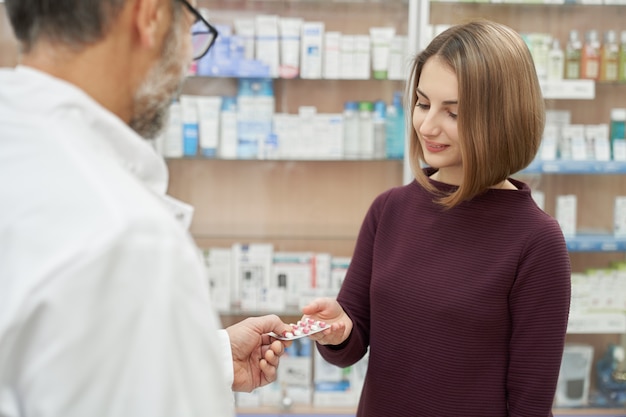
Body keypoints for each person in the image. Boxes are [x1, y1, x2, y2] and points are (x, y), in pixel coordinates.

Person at [0, 0, 293, 415]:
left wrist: (211, 357)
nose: (189, 60)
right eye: (191, 32)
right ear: (150, 15)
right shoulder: (126, 235)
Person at [302, 20, 572, 417]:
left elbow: (529, 405)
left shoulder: (536, 240)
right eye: (423, 103)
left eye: (454, 112)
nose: (428, 126)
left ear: (503, 117)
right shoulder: (389, 210)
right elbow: (352, 345)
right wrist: (338, 330)